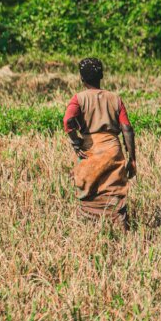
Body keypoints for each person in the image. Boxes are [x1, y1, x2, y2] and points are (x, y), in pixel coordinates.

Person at [64, 58, 137, 230]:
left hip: (90, 149)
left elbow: (68, 121)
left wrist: (76, 142)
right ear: (102, 76)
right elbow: (127, 128)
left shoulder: (78, 99)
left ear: (81, 78)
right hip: (112, 148)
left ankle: (90, 228)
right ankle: (119, 227)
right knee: (114, 190)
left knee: (89, 191)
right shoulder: (115, 99)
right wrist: (132, 158)